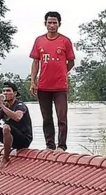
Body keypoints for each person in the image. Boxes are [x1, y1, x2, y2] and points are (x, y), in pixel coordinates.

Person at [29, 11, 76, 152]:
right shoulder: (39, 41)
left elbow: (71, 62)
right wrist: (33, 82)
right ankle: (50, 145)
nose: (52, 25)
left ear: (59, 24)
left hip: (60, 86)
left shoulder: (65, 41)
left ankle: (61, 146)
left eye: (55, 22)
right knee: (46, 118)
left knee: (62, 117)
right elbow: (35, 62)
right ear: (45, 24)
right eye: (49, 22)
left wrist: (61, 72)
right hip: (43, 86)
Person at [0, 82, 33, 170]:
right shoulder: (5, 107)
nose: (5, 93)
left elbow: (17, 117)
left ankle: (6, 158)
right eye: (4, 91)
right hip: (10, 136)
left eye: (8, 91)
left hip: (23, 139)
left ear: (15, 93)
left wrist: (2, 105)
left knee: (6, 127)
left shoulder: (20, 106)